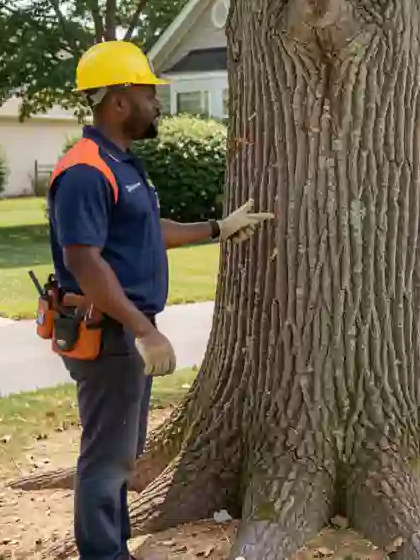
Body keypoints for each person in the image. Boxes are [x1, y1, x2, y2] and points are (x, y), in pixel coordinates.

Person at [48, 40, 274, 560]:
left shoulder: (119, 163)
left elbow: (148, 231)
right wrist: (142, 329)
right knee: (107, 458)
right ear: (119, 100)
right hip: (107, 332)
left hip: (122, 329)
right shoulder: (84, 170)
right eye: (149, 94)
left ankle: (115, 546)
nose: (158, 104)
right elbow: (85, 262)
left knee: (121, 452)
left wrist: (219, 228)